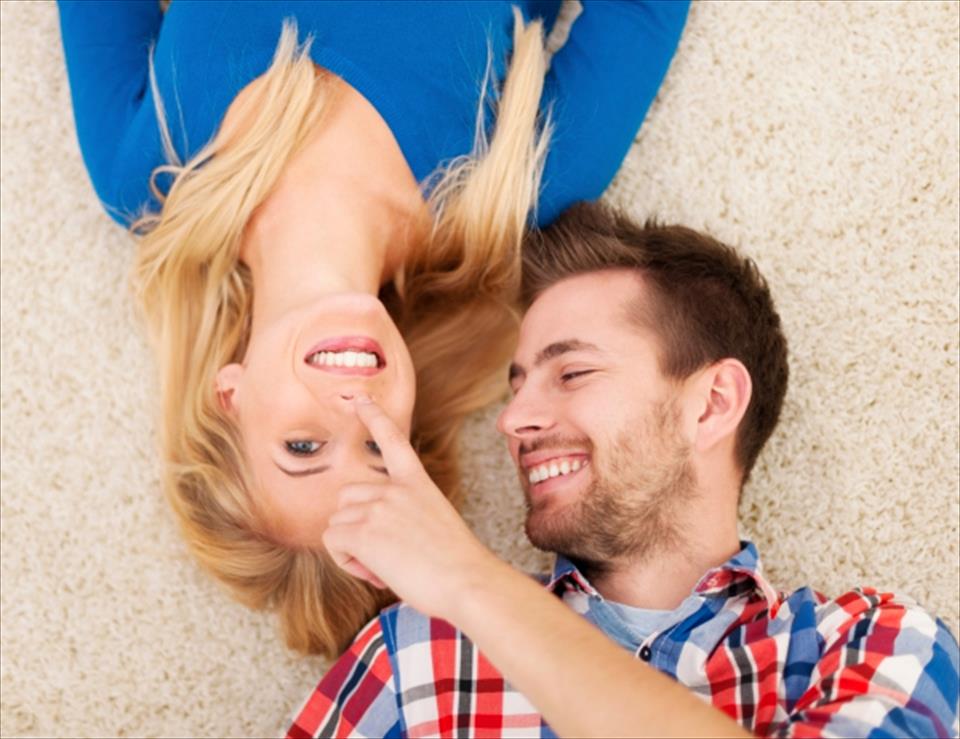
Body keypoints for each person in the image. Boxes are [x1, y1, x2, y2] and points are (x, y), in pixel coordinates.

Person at [56, 2, 690, 656]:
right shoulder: (519, 185)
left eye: (303, 446)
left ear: (229, 398)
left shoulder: (146, 173)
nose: (354, 406)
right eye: (380, 450)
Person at [290, 202, 960, 738]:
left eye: (572, 373)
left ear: (712, 404)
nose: (512, 419)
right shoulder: (411, 654)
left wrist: (468, 578)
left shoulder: (873, 644)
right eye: (514, 387)